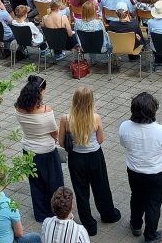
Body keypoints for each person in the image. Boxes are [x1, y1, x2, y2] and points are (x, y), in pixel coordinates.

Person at [58, 87, 121, 236]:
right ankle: (108, 215)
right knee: (102, 188)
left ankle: (89, 225)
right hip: (94, 157)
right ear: (91, 101)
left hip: (76, 159)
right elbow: (100, 139)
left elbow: (61, 142)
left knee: (81, 192)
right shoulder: (96, 118)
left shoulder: (65, 119)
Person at [117, 93, 162, 243]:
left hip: (134, 171)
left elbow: (123, 144)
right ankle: (150, 235)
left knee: (136, 197)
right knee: (153, 204)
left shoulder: (124, 126)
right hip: (157, 173)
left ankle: (135, 225)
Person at [15, 76, 65, 222]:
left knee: (36, 184)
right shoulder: (45, 110)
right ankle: (57, 212)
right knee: (54, 183)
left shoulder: (19, 108)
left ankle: (41, 214)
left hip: (29, 150)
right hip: (46, 152)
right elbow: (54, 133)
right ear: (40, 92)